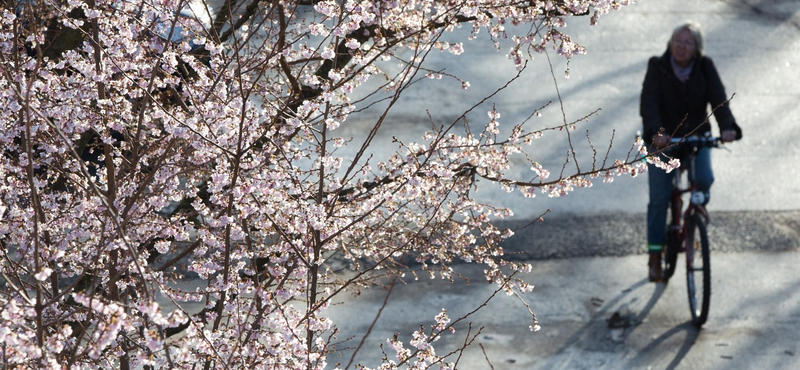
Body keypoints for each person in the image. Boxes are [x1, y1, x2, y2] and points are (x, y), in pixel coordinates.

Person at [640, 21, 742, 282]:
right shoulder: (657, 65)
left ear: (697, 48)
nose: (681, 46)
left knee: (705, 180)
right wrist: (655, 132)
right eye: (678, 40)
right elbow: (649, 102)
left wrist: (728, 126)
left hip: (696, 138)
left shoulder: (705, 66)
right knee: (660, 199)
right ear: (670, 42)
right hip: (664, 141)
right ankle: (654, 256)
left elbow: (719, 100)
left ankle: (693, 225)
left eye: (688, 42)